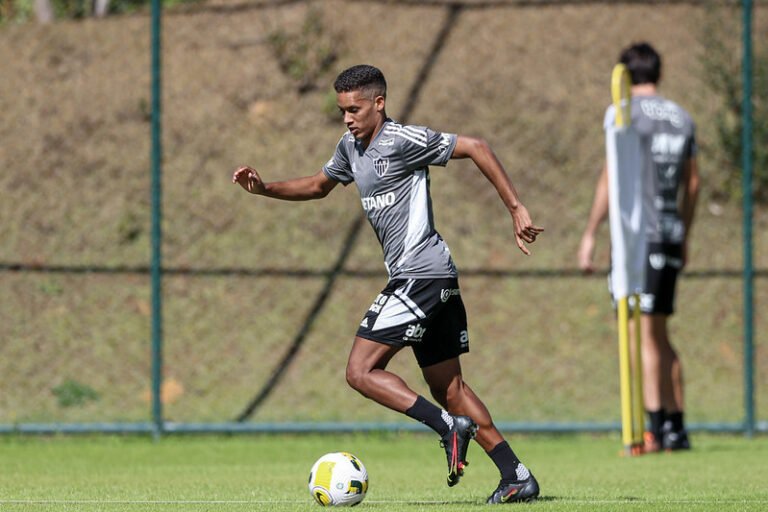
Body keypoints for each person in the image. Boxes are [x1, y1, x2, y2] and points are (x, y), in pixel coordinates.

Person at [233, 64, 543, 502]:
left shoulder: (402, 141)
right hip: (430, 278)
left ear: (379, 103)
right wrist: (265, 188)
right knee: (449, 387)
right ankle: (516, 476)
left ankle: (446, 426)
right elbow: (320, 185)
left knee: (360, 371)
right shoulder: (350, 147)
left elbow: (476, 146)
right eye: (342, 110)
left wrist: (515, 208)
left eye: (355, 108)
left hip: (421, 275)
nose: (347, 118)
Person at [578, 43, 700, 452]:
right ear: (659, 73)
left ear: (626, 76)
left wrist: (592, 232)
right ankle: (676, 427)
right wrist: (684, 230)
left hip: (639, 237)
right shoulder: (682, 117)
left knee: (642, 333)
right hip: (668, 232)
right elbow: (694, 183)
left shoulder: (626, 114)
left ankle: (653, 429)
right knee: (662, 334)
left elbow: (612, 176)